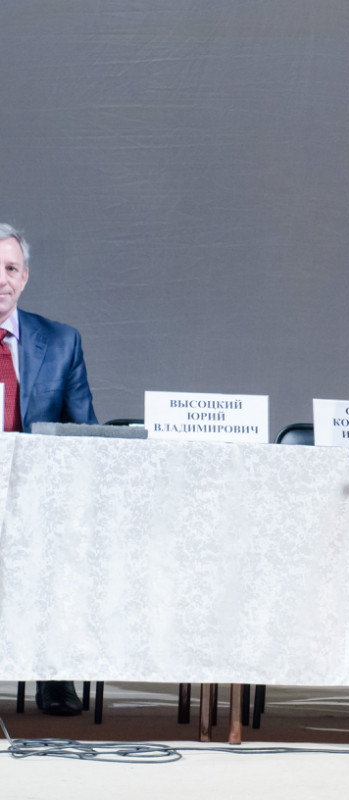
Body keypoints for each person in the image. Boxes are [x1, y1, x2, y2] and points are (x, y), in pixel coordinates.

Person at [0, 222, 99, 716]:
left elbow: (85, 432)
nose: (1, 279)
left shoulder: (61, 342)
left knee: (67, 538)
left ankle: (55, 672)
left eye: (10, 268)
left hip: (40, 495)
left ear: (25, 278)